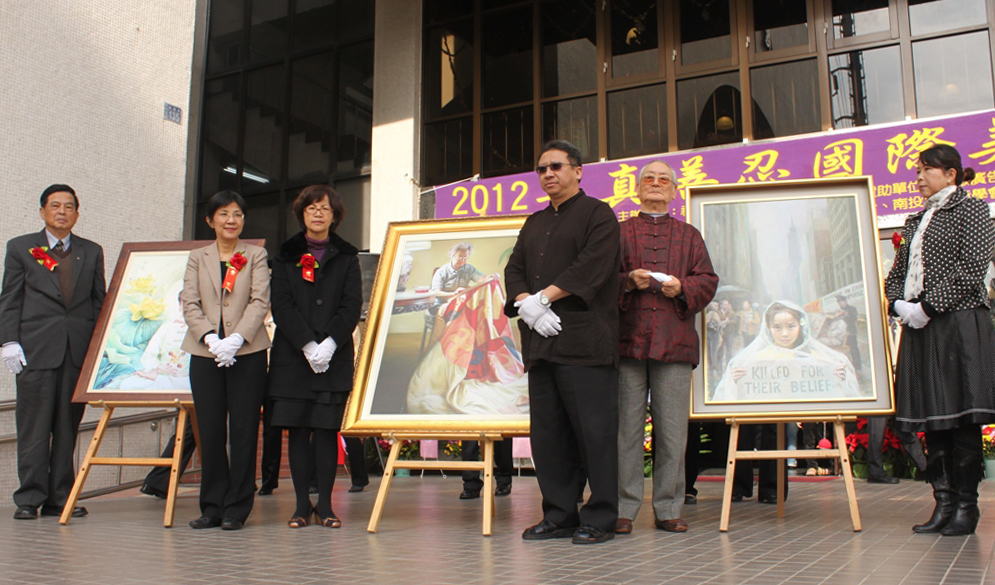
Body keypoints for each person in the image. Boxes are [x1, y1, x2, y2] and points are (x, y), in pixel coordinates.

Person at [505, 139, 621, 545]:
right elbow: (514, 269)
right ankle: (559, 514)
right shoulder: (534, 222)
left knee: (594, 434)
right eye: (542, 169)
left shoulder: (598, 215)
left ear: (578, 171)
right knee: (548, 436)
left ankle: (600, 517)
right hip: (542, 344)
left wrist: (543, 299)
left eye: (556, 166)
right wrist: (527, 304)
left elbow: (591, 267)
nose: (548, 174)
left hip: (585, 344)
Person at [884, 144, 995, 536]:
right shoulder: (915, 220)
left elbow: (972, 268)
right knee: (932, 417)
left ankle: (966, 506)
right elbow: (896, 274)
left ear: (950, 174)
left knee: (961, 417)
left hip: (959, 325)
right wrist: (899, 303)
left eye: (926, 170)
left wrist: (927, 306)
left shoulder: (973, 209)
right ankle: (943, 503)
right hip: (922, 328)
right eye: (917, 171)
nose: (919, 178)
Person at [615, 160, 718, 535]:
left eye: (664, 180)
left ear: (674, 191)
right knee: (625, 431)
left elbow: (708, 280)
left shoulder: (689, 235)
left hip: (675, 344)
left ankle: (669, 507)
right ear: (637, 189)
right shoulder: (619, 232)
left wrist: (683, 288)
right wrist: (628, 281)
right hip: (626, 343)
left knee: (673, 432)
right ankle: (623, 507)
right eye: (649, 179)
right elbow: (601, 279)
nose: (656, 184)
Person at [1, 184, 105, 520]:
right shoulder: (21, 248)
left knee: (66, 428)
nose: (62, 212)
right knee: (33, 428)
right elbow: (10, 298)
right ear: (42, 211)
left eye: (69, 206)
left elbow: (98, 302)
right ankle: (29, 498)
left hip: (76, 353)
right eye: (55, 205)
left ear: (77, 213)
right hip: (35, 351)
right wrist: (8, 341)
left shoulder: (91, 251)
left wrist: (99, 349)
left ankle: (60, 498)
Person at [266, 185, 362, 529]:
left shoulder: (347, 256)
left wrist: (330, 344)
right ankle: (300, 505)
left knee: (325, 431)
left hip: (333, 358)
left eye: (325, 208)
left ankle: (325, 505)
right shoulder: (284, 255)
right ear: (302, 214)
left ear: (335, 216)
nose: (318, 213)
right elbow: (282, 305)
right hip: (294, 359)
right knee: (298, 431)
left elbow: (351, 305)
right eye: (311, 208)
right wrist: (308, 345)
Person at [181, 190, 270, 531]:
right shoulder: (197, 257)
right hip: (206, 353)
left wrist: (236, 339)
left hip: (246, 352)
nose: (231, 220)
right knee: (210, 429)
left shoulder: (256, 255)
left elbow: (260, 300)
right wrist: (210, 338)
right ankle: (212, 506)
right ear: (210, 220)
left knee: (244, 430)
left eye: (237, 214)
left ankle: (237, 506)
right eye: (223, 214)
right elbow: (190, 302)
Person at [712, 300, 859, 401]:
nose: (784, 334)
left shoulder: (816, 357)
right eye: (777, 327)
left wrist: (835, 376)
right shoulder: (755, 360)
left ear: (800, 326)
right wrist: (736, 381)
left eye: (791, 326)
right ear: (768, 328)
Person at [834, 295, 862, 371]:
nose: (841, 303)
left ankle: (857, 367)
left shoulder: (852, 309)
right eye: (839, 302)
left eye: (842, 301)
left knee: (853, 349)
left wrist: (846, 315)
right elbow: (835, 322)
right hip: (841, 334)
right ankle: (847, 366)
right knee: (843, 350)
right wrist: (836, 316)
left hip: (850, 332)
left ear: (845, 301)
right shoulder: (839, 311)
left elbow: (854, 319)